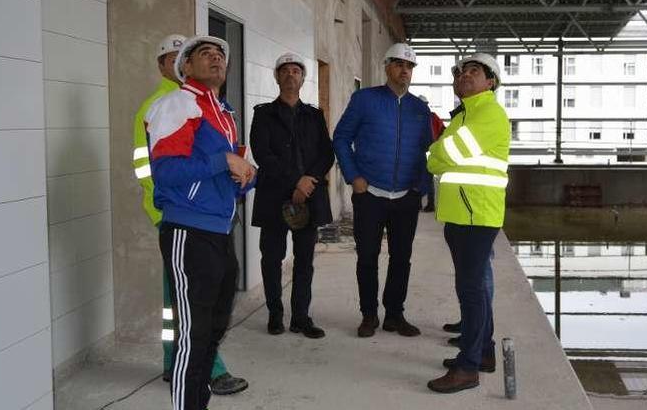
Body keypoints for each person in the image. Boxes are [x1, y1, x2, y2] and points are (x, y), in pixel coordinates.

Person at [145, 35, 257, 410]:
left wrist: (245, 175)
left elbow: (227, 170)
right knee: (192, 337)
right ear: (185, 67)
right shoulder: (178, 105)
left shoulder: (223, 113)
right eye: (204, 54)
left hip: (221, 230)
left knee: (212, 332)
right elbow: (166, 172)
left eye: (220, 54)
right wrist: (223, 162)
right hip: (189, 231)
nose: (216, 58)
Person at [333, 42, 433, 338]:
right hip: (370, 194)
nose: (405, 71)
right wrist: (354, 177)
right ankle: (368, 315)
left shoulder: (419, 108)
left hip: (405, 196)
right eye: (400, 64)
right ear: (387, 66)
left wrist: (420, 187)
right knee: (367, 256)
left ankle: (394, 314)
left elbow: (427, 151)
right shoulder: (364, 100)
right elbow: (340, 138)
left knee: (402, 257)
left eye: (410, 66)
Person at [426, 53, 510, 393]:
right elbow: (443, 154)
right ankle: (483, 352)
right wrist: (439, 151)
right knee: (472, 288)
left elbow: (440, 157)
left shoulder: (489, 113)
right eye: (461, 72)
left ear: (490, 82)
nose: (464, 76)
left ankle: (468, 367)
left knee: (471, 290)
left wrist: (436, 152)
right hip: (462, 213)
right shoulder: (465, 115)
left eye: (474, 71)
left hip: (476, 215)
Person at [250, 52, 334, 339]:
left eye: (296, 71)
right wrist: (295, 181)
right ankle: (275, 314)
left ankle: (300, 317)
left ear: (302, 78)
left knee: (304, 260)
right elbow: (263, 154)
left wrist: (308, 183)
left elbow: (326, 152)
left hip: (309, 197)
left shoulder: (314, 115)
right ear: (276, 77)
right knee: (271, 258)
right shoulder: (263, 114)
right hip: (275, 197)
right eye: (284, 71)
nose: (290, 75)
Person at [417, 94, 445, 213]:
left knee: (417, 178)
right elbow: (444, 131)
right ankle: (430, 205)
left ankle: (419, 204)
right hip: (431, 149)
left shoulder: (415, 116)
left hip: (420, 150)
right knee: (428, 178)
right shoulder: (433, 116)